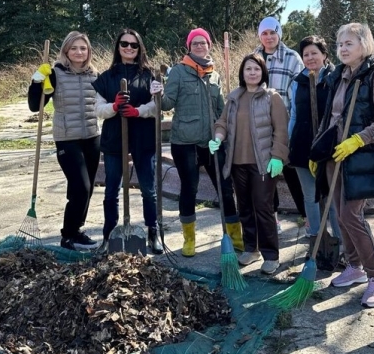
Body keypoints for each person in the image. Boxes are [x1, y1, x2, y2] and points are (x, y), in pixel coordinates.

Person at [312, 23, 374, 308]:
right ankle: (355, 267)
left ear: (365, 44)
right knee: (340, 215)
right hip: (336, 154)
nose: (343, 49)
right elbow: (331, 117)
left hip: (361, 156)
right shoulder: (339, 76)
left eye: (349, 43)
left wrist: (359, 140)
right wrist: (317, 151)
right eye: (340, 44)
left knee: (351, 215)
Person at [158, 28, 243, 257]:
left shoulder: (214, 74)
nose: (199, 46)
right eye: (194, 43)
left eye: (203, 42)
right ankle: (189, 239)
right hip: (185, 143)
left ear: (209, 46)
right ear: (189, 47)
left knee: (225, 188)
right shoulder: (178, 71)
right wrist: (157, 93)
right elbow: (166, 104)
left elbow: (221, 110)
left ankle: (235, 236)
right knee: (189, 189)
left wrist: (224, 133)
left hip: (213, 143)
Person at [210, 53, 289, 275]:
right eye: (248, 69)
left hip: (263, 163)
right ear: (242, 73)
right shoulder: (234, 98)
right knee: (244, 208)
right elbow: (222, 122)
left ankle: (271, 255)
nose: (252, 73)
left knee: (263, 208)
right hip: (237, 163)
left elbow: (281, 130)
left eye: (256, 69)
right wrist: (218, 137)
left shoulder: (272, 97)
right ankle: (251, 249)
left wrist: (278, 156)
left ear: (263, 72)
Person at [92, 28, 163, 254]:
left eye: (134, 45)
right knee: (111, 190)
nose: (129, 48)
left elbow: (157, 106)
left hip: (143, 137)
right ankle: (108, 235)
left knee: (148, 189)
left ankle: (153, 232)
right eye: (125, 44)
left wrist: (138, 111)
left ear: (140, 48)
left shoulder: (150, 76)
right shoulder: (107, 77)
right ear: (118, 47)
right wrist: (114, 106)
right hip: (115, 138)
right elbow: (98, 109)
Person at [28, 31, 100, 251]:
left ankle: (76, 230)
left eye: (83, 48)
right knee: (81, 187)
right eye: (74, 48)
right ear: (66, 51)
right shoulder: (55, 74)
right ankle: (68, 235)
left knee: (86, 189)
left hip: (92, 137)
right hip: (67, 139)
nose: (79, 52)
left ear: (88, 52)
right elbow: (35, 106)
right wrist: (36, 81)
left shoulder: (94, 75)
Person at [287, 35, 341, 254]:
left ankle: (339, 243)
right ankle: (316, 241)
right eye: (306, 54)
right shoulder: (297, 81)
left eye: (314, 53)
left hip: (329, 147)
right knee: (310, 197)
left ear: (324, 55)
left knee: (332, 198)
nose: (310, 58)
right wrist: (290, 143)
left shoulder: (336, 78)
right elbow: (294, 115)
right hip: (303, 145)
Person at [255, 16, 306, 224]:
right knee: (266, 176)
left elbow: (299, 94)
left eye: (272, 33)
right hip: (260, 127)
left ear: (279, 34)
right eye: (264, 33)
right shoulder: (253, 57)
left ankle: (307, 217)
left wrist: (294, 125)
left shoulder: (292, 58)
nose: (269, 37)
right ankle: (272, 219)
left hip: (285, 126)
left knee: (292, 173)